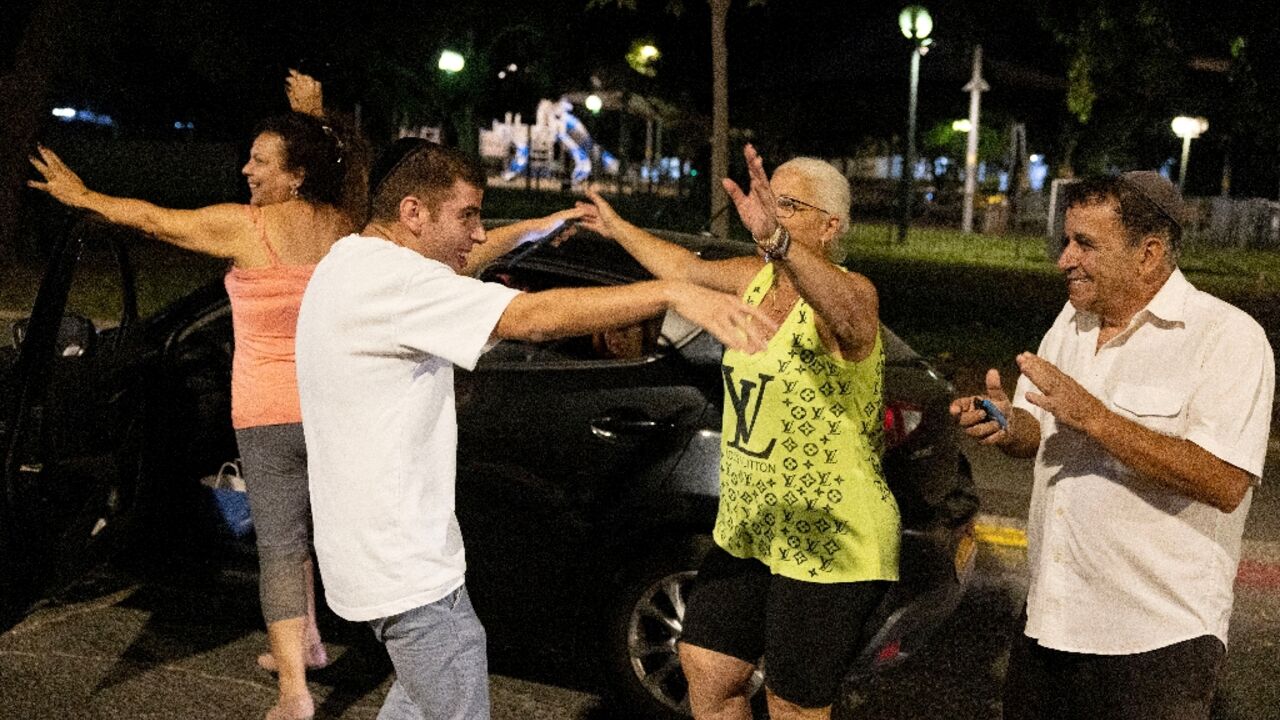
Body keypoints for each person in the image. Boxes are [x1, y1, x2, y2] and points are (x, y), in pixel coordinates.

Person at [293, 138, 776, 720]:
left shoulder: (350, 260)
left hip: (372, 553)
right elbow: (532, 319)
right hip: (407, 567)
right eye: (467, 215)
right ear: (413, 213)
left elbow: (465, 258)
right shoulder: (398, 283)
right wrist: (673, 292)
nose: (478, 233)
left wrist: (535, 227)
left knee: (420, 703)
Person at [580, 144, 899, 720]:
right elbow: (681, 269)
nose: (768, 214)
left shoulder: (849, 294)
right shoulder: (754, 278)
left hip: (827, 535)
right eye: (766, 200)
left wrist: (779, 241)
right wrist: (616, 227)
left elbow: (851, 317)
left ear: (830, 227)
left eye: (788, 205)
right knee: (705, 662)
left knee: (791, 704)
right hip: (752, 524)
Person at [951, 172, 1274, 720]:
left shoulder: (1226, 338)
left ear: (1148, 254)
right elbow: (1039, 427)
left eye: (1086, 245)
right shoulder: (1072, 323)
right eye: (1066, 241)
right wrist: (1010, 426)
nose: (1064, 259)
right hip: (1049, 620)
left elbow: (1224, 481)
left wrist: (1097, 418)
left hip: (1155, 642)